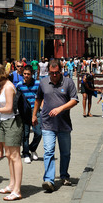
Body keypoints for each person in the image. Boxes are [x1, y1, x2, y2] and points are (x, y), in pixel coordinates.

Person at [32, 59, 79, 192]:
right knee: (48, 152)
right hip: (47, 123)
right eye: (51, 73)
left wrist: (60, 108)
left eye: (56, 73)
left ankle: (64, 175)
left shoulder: (68, 82)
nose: (54, 75)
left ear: (61, 71)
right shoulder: (43, 82)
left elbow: (74, 100)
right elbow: (38, 99)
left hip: (64, 124)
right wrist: (34, 115)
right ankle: (49, 180)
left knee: (65, 153)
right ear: (48, 72)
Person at [0, 63, 23, 201]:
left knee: (15, 156)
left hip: (12, 122)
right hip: (4, 122)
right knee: (8, 154)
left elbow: (9, 108)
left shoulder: (8, 87)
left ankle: (17, 190)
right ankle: (12, 184)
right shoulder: (2, 86)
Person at [16, 65, 42, 164]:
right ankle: (26, 153)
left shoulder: (38, 84)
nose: (26, 76)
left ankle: (32, 148)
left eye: (28, 74)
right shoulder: (19, 85)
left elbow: (41, 97)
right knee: (25, 134)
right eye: (24, 74)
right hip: (24, 112)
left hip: (35, 110)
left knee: (39, 133)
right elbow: (16, 100)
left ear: (32, 75)